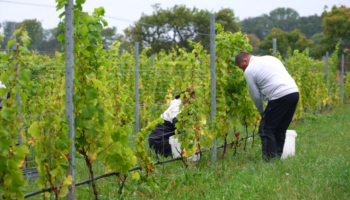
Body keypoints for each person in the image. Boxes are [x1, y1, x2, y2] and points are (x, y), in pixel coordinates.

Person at [235, 52, 299, 161]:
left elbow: (255, 94)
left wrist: (261, 111)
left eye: (242, 67)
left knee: (266, 128)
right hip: (293, 93)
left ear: (245, 61)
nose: (243, 70)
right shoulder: (270, 58)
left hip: (279, 95)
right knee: (280, 128)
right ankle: (276, 159)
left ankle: (269, 161)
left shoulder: (249, 70)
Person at [148, 87, 195, 158]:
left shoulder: (184, 106)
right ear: (186, 99)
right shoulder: (176, 105)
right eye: (192, 100)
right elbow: (176, 120)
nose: (193, 103)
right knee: (181, 154)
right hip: (159, 141)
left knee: (184, 152)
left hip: (166, 138)